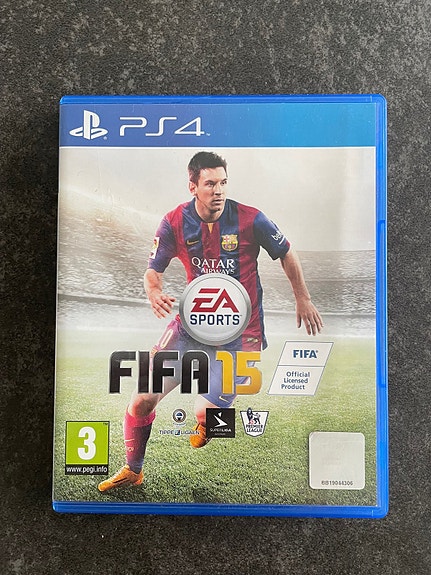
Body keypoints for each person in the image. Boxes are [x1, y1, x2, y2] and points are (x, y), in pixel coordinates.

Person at [98, 151, 322, 492]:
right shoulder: (174, 221)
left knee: (208, 415)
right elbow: (152, 270)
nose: (218, 191)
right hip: (191, 328)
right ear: (193, 186)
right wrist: (154, 292)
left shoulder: (252, 219)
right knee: (142, 399)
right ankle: (133, 470)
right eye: (210, 184)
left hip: (242, 335)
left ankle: (206, 423)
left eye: (223, 183)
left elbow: (286, 251)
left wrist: (302, 298)